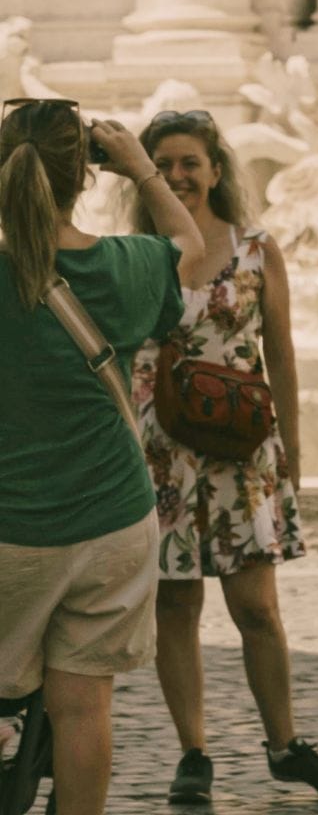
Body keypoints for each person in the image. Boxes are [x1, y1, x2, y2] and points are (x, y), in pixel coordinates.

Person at [132, 110, 318, 805]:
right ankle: (193, 751)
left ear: (216, 169)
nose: (178, 176)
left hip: (242, 448)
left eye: (189, 163)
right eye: (163, 164)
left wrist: (291, 447)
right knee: (177, 604)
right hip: (165, 450)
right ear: (146, 177)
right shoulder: (136, 253)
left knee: (256, 606)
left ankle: (284, 744)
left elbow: (282, 353)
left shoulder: (257, 247)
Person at [0, 97, 202, 815]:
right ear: (85, 174)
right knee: (85, 708)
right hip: (115, 519)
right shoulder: (129, 263)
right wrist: (142, 171)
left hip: (11, 528)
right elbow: (195, 249)